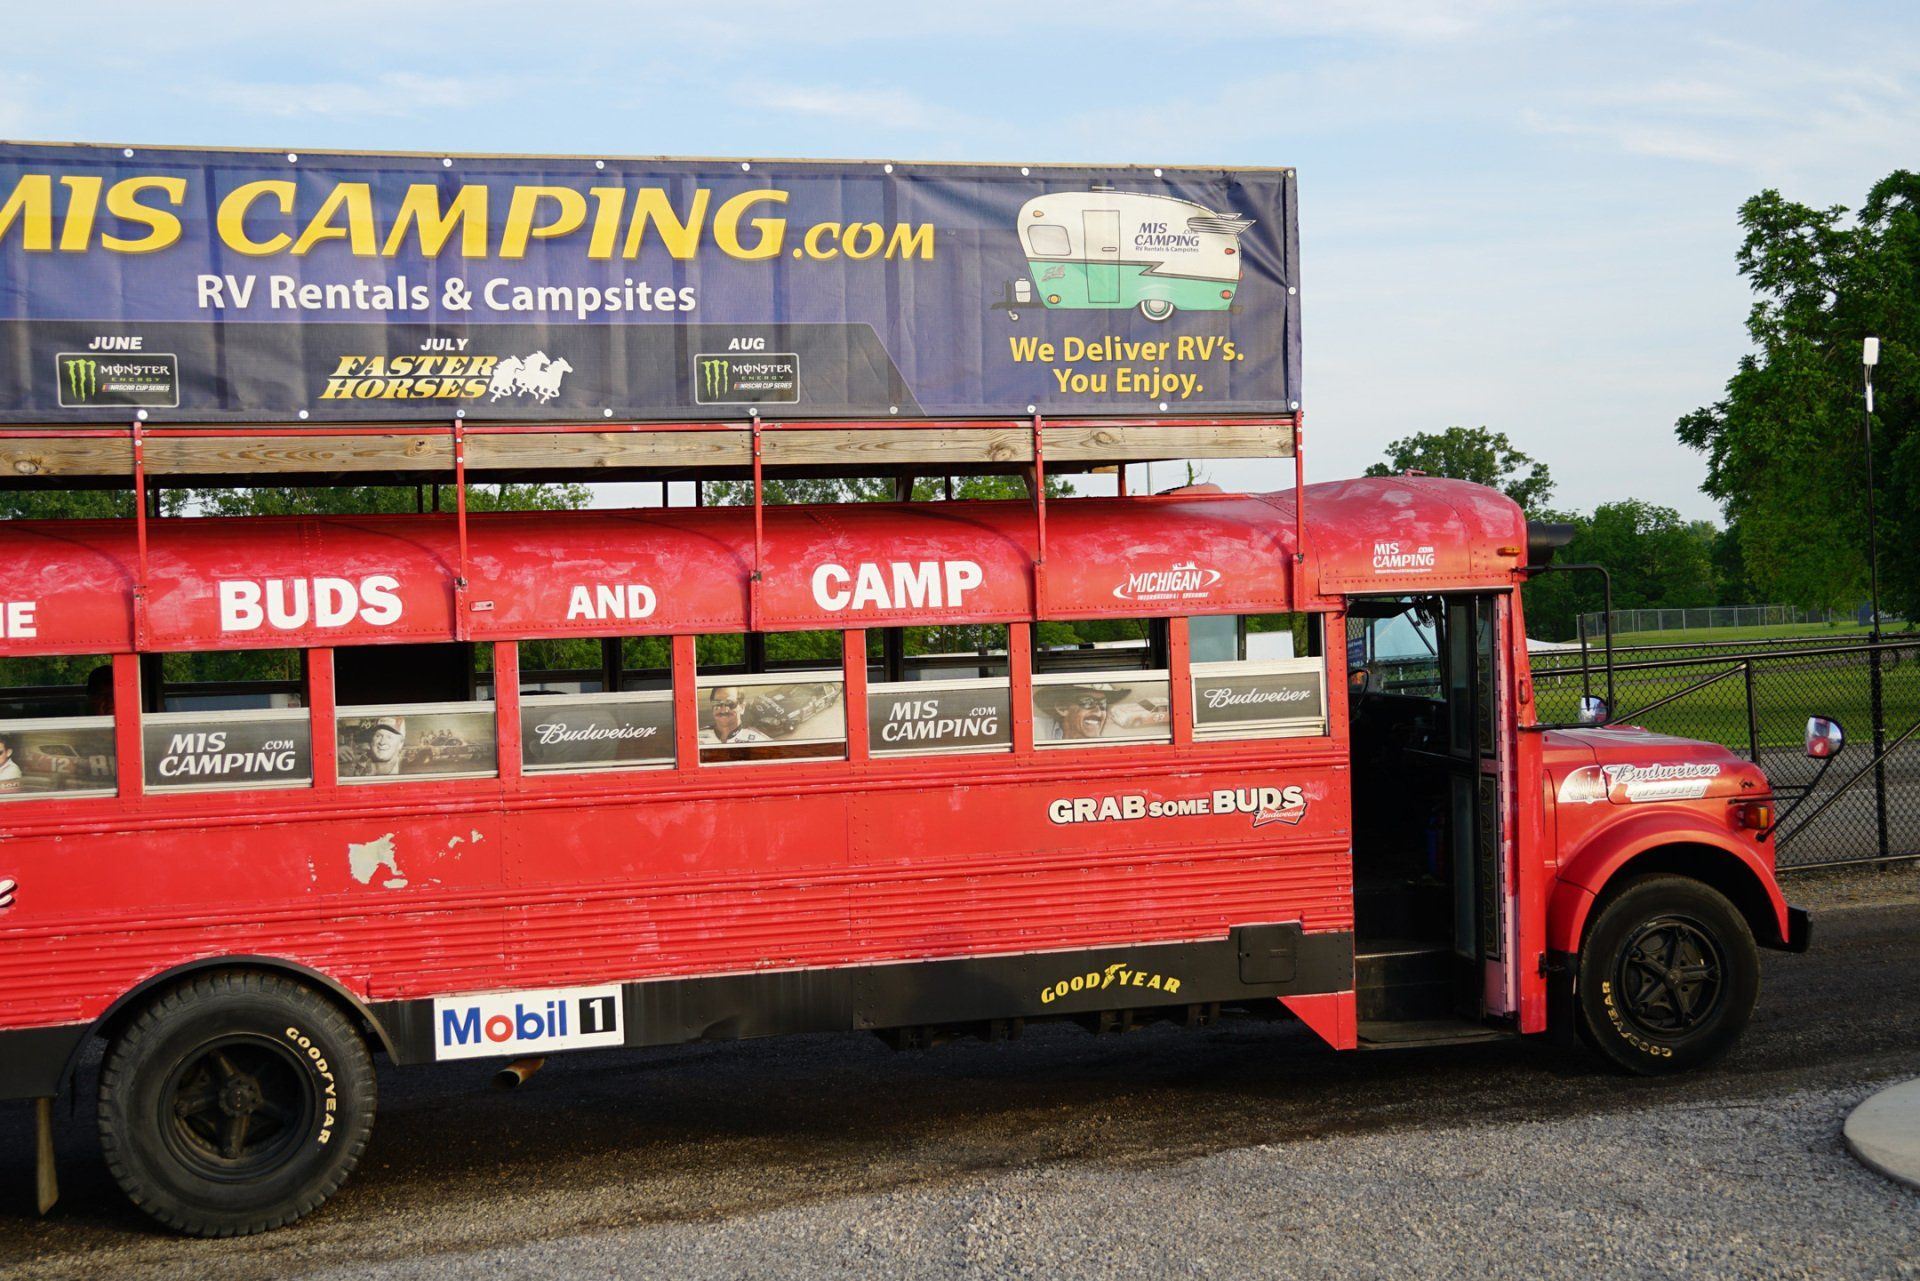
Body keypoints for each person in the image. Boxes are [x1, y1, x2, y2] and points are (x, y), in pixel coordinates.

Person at [1035, 683, 1127, 741]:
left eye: (1103, 704)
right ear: (1062, 708)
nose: (1098, 712)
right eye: (1087, 702)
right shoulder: (1035, 732)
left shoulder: (1114, 739)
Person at [698, 687, 770, 744]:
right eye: (717, 703)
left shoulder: (759, 741)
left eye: (730, 703)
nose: (723, 709)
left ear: (742, 707)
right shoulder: (697, 738)